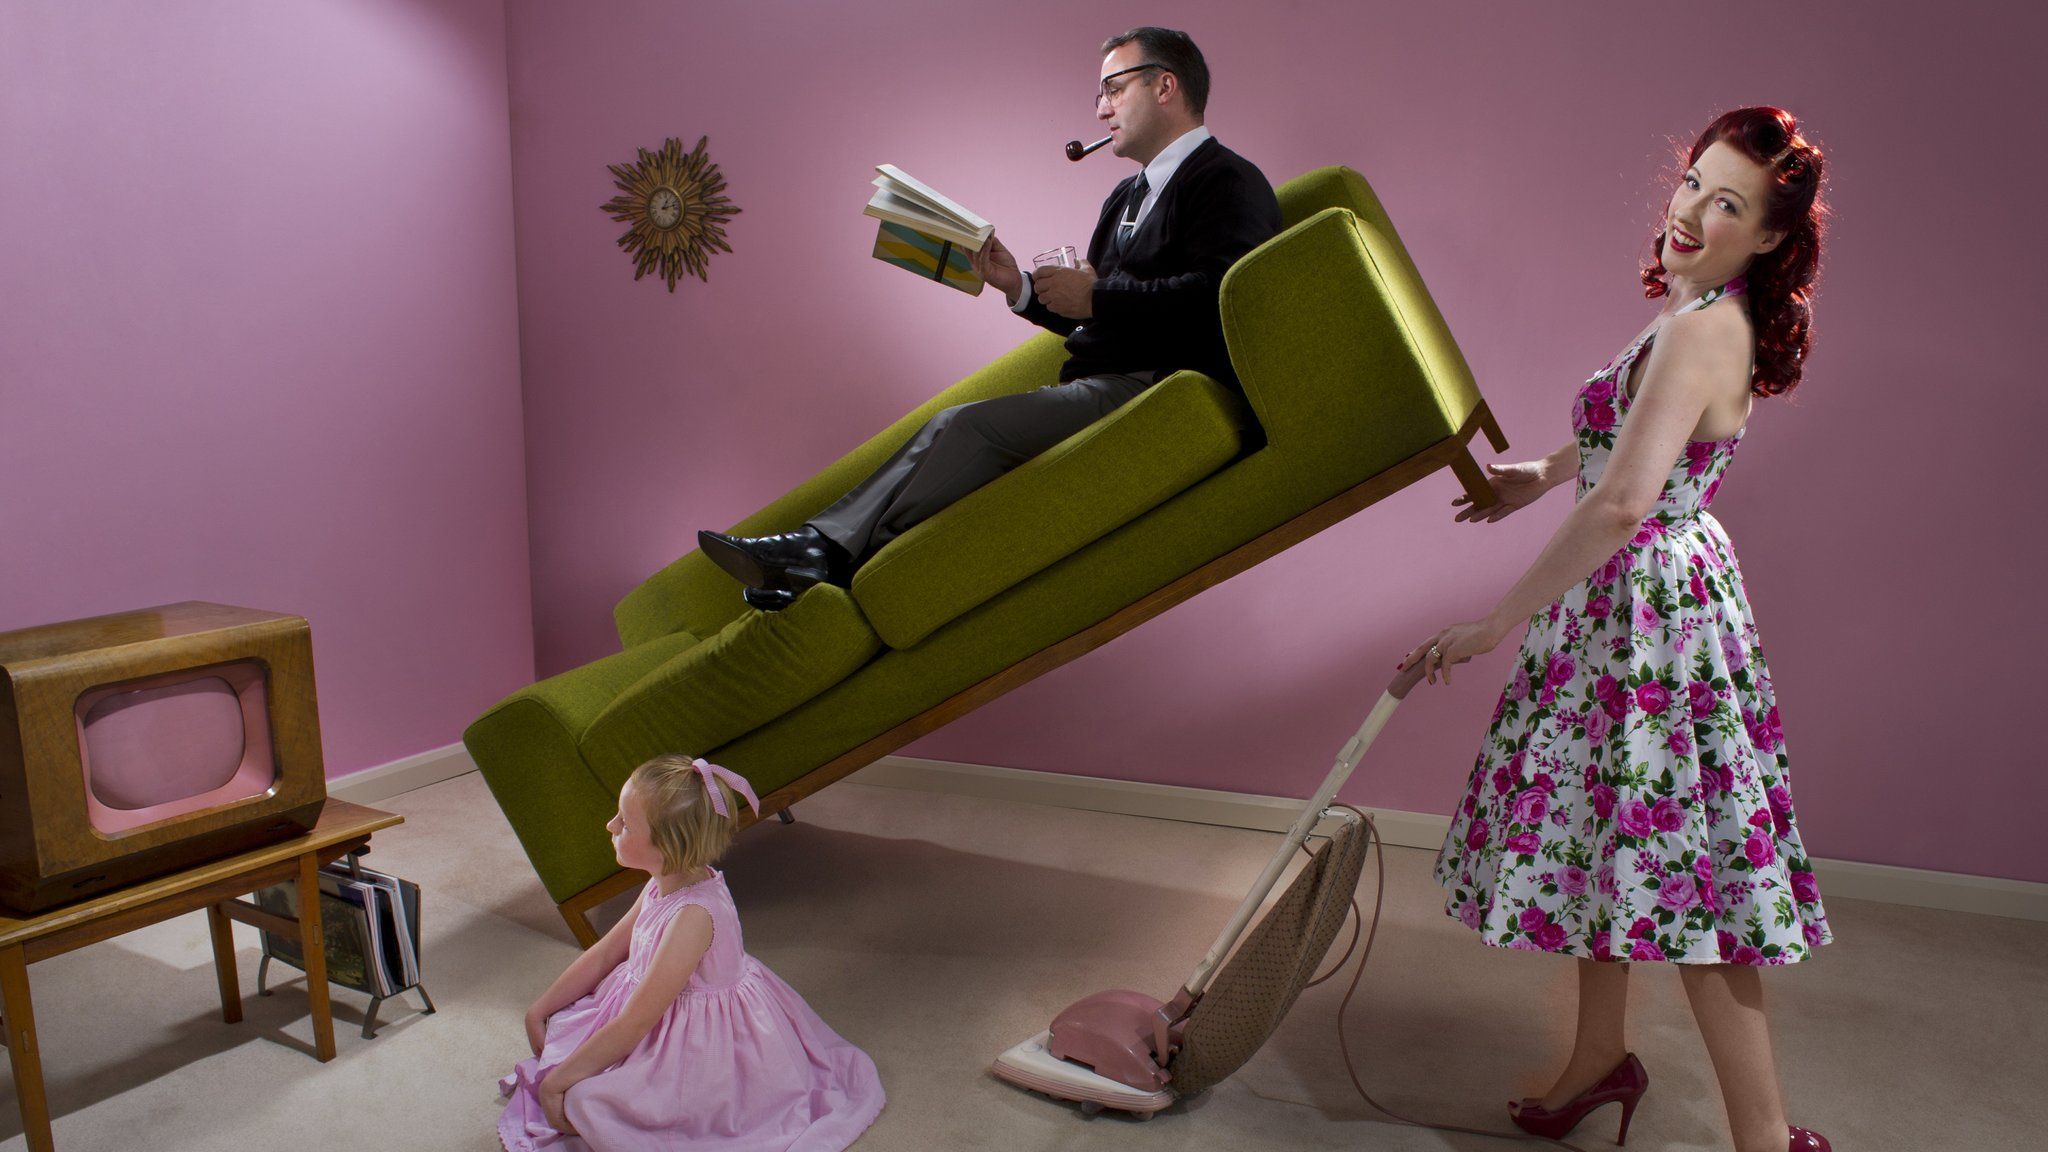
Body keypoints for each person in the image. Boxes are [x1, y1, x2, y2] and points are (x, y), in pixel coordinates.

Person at [1400, 108, 1834, 1152]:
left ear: (1770, 238)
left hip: (1653, 619)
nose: (1689, 210)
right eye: (1691, 182)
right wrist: (1537, 474)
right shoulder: (1688, 307)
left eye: (1725, 203)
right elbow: (1625, 435)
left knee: (1694, 877)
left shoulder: (1702, 327)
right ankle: (1599, 1062)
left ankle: (1763, 1138)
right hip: (1622, 608)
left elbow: (1623, 504)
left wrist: (1496, 620)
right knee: (1614, 843)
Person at [699, 26, 1282, 610]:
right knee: (946, 426)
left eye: (1112, 86)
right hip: (1104, 381)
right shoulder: (1124, 197)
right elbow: (1101, 315)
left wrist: (1097, 296)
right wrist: (1021, 287)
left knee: (964, 426)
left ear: (1165, 85)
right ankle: (820, 554)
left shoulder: (1227, 179)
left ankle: (826, 558)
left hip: (1157, 386)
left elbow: (1222, 295)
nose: (1099, 106)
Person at [498, 755, 885, 1150]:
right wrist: (540, 1008)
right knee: (571, 1030)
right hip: (651, 1010)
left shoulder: (694, 916)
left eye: (625, 823)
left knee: (586, 1100)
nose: (610, 825)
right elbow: (604, 954)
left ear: (668, 845)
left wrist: (558, 1083)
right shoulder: (662, 881)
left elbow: (636, 1023)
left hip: (701, 1042)